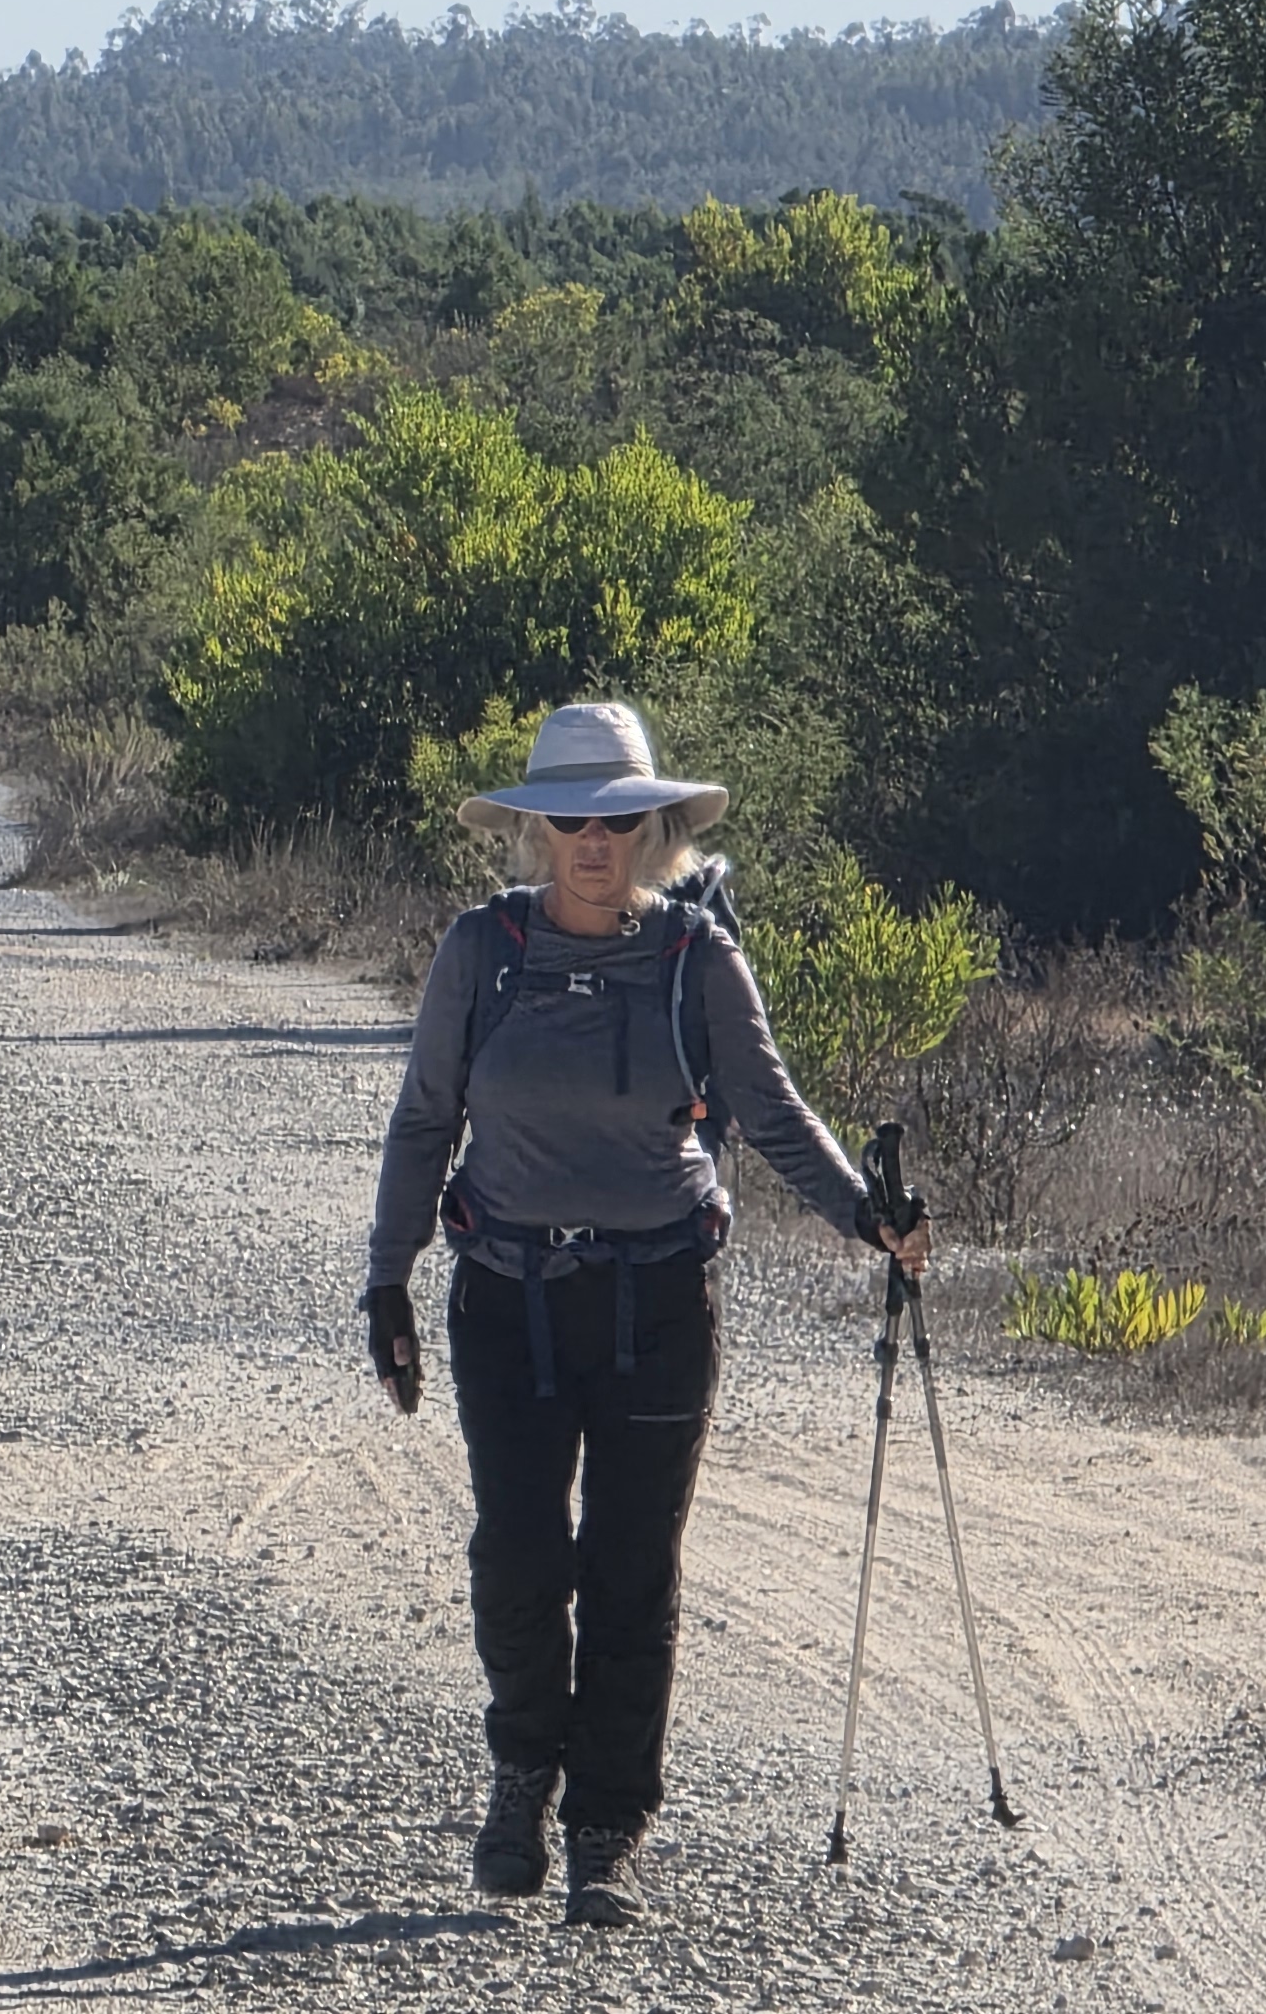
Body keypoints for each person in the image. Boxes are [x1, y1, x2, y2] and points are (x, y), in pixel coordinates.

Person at [362, 700, 930, 1927]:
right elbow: (423, 1121)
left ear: (651, 831)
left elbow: (770, 1110)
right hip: (506, 1297)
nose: (592, 840)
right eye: (569, 819)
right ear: (533, 830)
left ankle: (605, 1832)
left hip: (659, 1300)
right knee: (518, 1553)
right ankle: (522, 1776)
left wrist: (864, 1213)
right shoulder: (480, 952)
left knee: (631, 1567)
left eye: (615, 820)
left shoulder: (695, 957)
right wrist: (385, 1280)